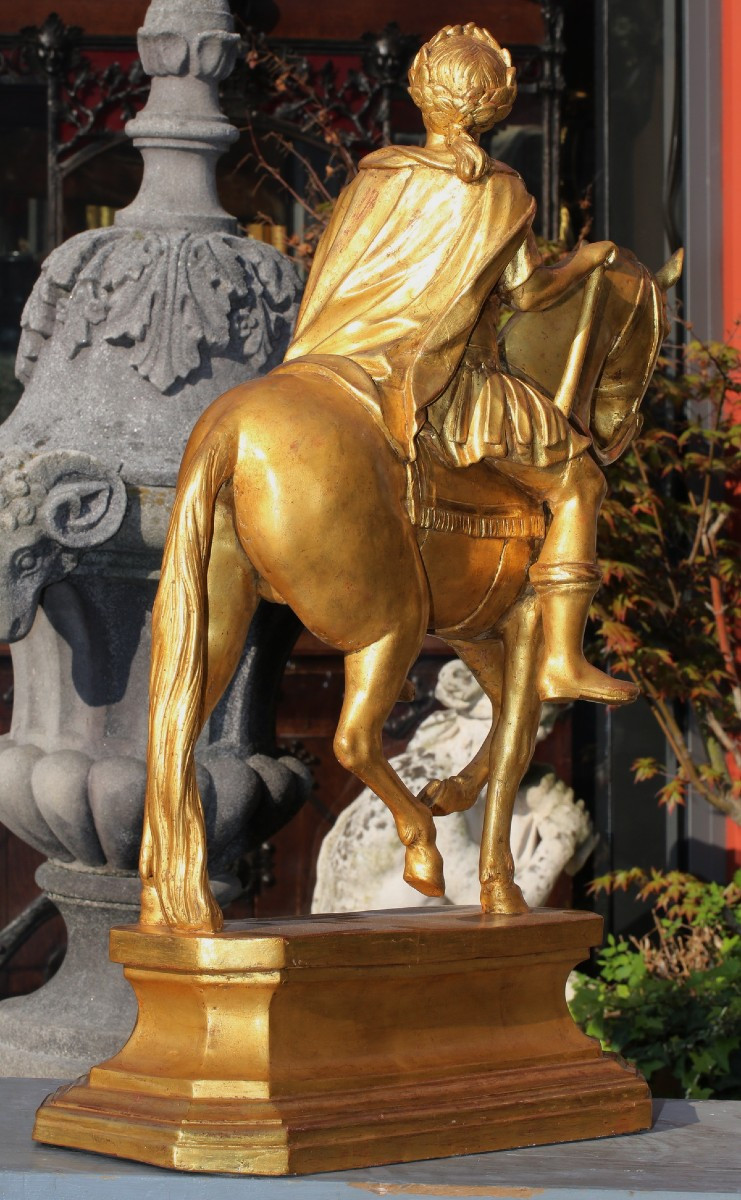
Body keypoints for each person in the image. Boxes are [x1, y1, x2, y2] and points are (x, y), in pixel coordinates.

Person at [284, 22, 638, 707]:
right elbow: (530, 290)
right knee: (579, 485)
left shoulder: (376, 175)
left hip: (349, 368)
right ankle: (562, 656)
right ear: (497, 104)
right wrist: (588, 258)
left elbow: (335, 282)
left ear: (420, 93)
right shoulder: (499, 188)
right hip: (452, 387)